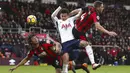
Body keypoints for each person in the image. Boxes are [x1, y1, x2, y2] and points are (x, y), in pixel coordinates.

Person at [69, 0, 117, 69]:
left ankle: (71, 61)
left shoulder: (89, 7)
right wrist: (108, 32)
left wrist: (69, 15)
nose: (103, 8)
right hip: (79, 32)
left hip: (75, 28)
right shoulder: (95, 14)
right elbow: (98, 26)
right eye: (102, 7)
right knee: (88, 45)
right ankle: (93, 64)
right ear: (98, 7)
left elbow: (78, 10)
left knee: (74, 45)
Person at [51, 6, 100, 73]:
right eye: (62, 16)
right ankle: (65, 71)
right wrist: (59, 7)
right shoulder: (58, 22)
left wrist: (82, 10)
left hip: (73, 41)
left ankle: (93, 63)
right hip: (65, 43)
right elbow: (52, 16)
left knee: (86, 44)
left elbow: (78, 16)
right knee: (65, 59)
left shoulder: (70, 19)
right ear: (60, 16)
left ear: (68, 15)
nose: (63, 18)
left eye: (65, 16)